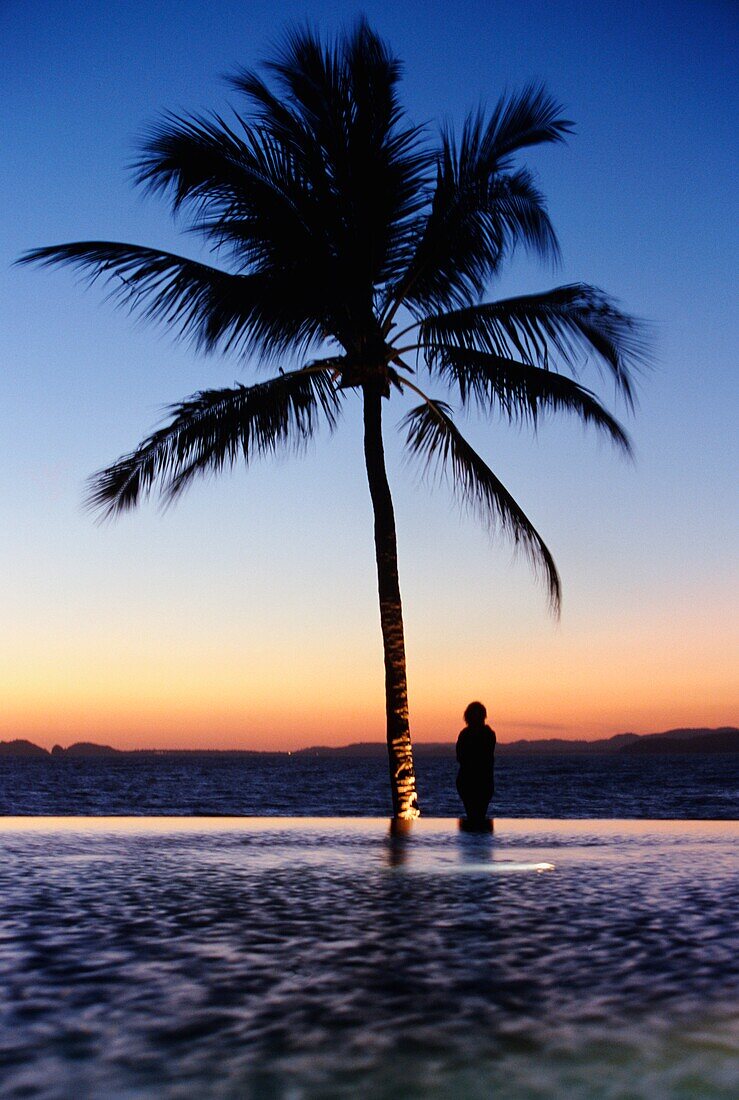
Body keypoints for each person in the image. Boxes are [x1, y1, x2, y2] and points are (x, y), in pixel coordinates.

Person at [456, 701, 496, 824]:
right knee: (478, 815)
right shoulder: (487, 734)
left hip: (475, 780)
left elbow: (460, 756)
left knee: (474, 815)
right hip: (477, 780)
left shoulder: (468, 734)